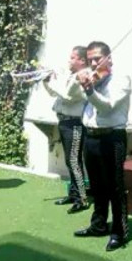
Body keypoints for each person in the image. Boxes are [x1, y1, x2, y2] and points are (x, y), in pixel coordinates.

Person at [73, 41, 131, 252]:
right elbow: (72, 95)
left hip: (112, 137)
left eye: (98, 58)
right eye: (90, 60)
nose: (94, 63)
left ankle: (119, 231)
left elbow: (107, 107)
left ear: (109, 58)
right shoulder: (91, 77)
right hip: (91, 136)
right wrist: (81, 80)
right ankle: (98, 225)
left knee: (115, 187)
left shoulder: (121, 79)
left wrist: (89, 90)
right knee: (96, 185)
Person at [43, 46, 90, 213]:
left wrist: (54, 82)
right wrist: (46, 81)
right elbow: (54, 93)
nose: (69, 60)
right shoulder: (71, 76)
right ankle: (73, 193)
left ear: (82, 61)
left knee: (74, 161)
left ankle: (82, 199)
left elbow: (68, 95)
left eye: (72, 58)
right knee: (69, 161)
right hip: (63, 121)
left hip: (75, 123)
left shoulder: (85, 77)